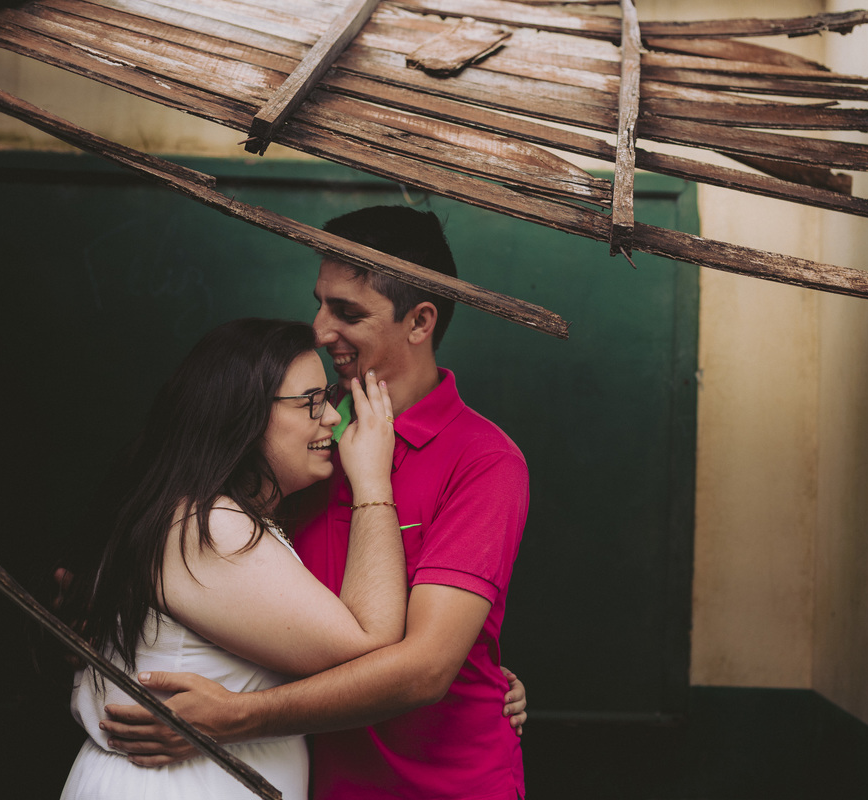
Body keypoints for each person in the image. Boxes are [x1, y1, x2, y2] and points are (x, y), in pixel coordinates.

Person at [101, 207, 531, 800]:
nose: (321, 329)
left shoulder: (483, 459)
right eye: (321, 302)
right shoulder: (303, 437)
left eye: (348, 312)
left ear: (420, 321)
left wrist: (238, 715)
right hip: (307, 782)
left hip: (441, 787)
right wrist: (103, 602)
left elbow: (428, 669)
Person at [59, 318, 407, 799]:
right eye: (311, 401)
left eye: (326, 396)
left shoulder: (207, 515)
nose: (332, 416)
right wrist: (373, 481)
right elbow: (372, 648)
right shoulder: (208, 526)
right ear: (243, 415)